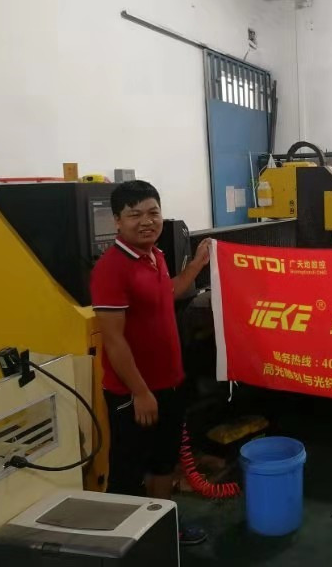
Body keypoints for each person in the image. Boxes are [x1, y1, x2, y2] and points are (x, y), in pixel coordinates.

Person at [90, 180, 212, 546]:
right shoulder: (111, 269)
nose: (146, 221)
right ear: (117, 221)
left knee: (163, 461)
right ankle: (125, 546)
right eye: (135, 215)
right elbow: (113, 339)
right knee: (128, 472)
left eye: (153, 212)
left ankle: (162, 532)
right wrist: (140, 392)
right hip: (134, 394)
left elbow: (167, 292)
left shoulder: (154, 256)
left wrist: (198, 264)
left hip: (169, 384)